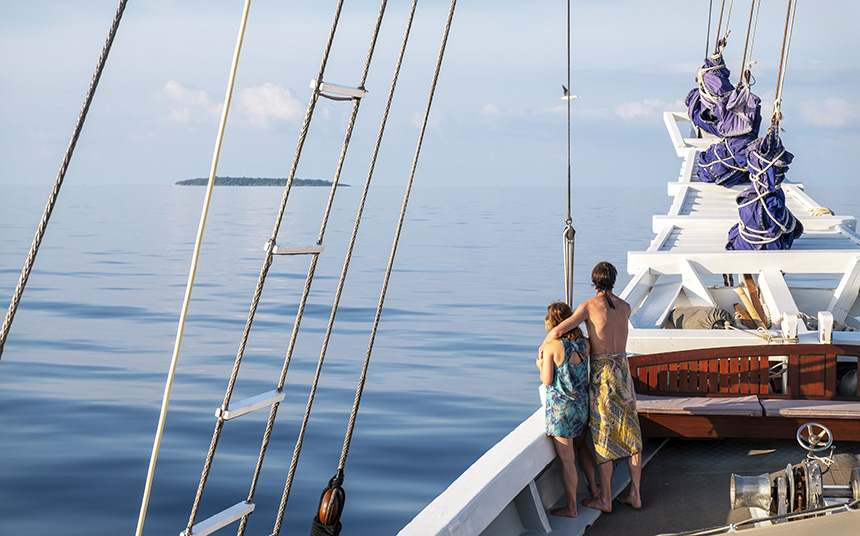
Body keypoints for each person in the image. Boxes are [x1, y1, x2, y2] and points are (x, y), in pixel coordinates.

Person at [543, 261, 643, 513]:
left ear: (594, 282)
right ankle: (635, 494)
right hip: (623, 371)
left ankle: (605, 499)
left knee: (603, 437)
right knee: (632, 437)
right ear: (613, 281)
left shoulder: (588, 306)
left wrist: (543, 348)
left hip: (603, 377)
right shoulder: (626, 307)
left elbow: (558, 331)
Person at [537, 301, 599, 517]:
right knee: (583, 448)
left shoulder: (553, 347)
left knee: (567, 460)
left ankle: (572, 508)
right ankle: (594, 487)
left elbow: (546, 380)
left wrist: (539, 364)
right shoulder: (585, 344)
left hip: (562, 412)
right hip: (581, 408)